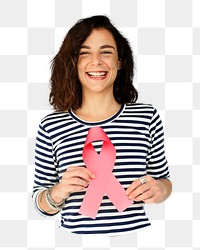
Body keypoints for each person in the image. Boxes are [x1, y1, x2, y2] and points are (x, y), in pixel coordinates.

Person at [33, 15, 172, 236]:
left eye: (106, 51)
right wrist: (59, 191)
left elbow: (164, 180)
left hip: (137, 239)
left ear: (119, 61)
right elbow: (39, 203)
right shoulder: (52, 126)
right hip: (73, 242)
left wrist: (160, 189)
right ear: (73, 62)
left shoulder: (146, 116)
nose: (96, 61)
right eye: (84, 53)